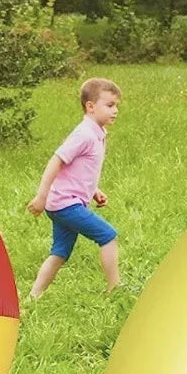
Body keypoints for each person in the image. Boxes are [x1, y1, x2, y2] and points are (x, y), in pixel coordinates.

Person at [27, 77, 121, 299]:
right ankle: (115, 289)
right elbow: (56, 161)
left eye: (116, 106)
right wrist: (41, 197)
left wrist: (94, 190)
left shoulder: (97, 133)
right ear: (90, 106)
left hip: (63, 204)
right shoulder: (84, 134)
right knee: (108, 236)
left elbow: (80, 170)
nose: (115, 110)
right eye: (109, 105)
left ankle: (33, 297)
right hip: (65, 205)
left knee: (60, 253)